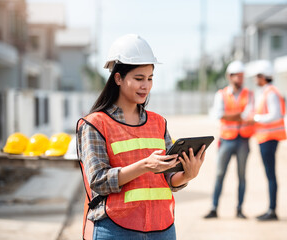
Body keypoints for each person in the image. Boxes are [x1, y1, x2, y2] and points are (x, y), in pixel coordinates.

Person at [76, 34, 206, 240]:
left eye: (150, 78)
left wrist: (188, 175)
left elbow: (168, 179)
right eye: (138, 79)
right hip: (115, 228)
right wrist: (145, 165)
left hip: (162, 227)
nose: (146, 86)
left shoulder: (158, 123)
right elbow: (98, 180)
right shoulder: (95, 124)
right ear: (118, 78)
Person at [204, 60, 254, 219]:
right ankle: (214, 208)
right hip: (226, 140)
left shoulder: (249, 94)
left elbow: (248, 115)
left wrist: (231, 116)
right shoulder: (221, 94)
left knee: (241, 176)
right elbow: (218, 114)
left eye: (241, 76)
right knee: (219, 175)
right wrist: (239, 116)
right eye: (235, 76)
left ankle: (239, 209)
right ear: (229, 76)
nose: (238, 79)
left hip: (243, 140)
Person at [248, 60, 287, 221]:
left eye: (257, 76)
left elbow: (276, 115)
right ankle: (271, 209)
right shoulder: (266, 92)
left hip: (270, 139)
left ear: (263, 77)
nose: (255, 79)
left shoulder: (271, 92)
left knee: (270, 175)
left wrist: (256, 118)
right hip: (265, 138)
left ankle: (272, 210)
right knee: (270, 174)